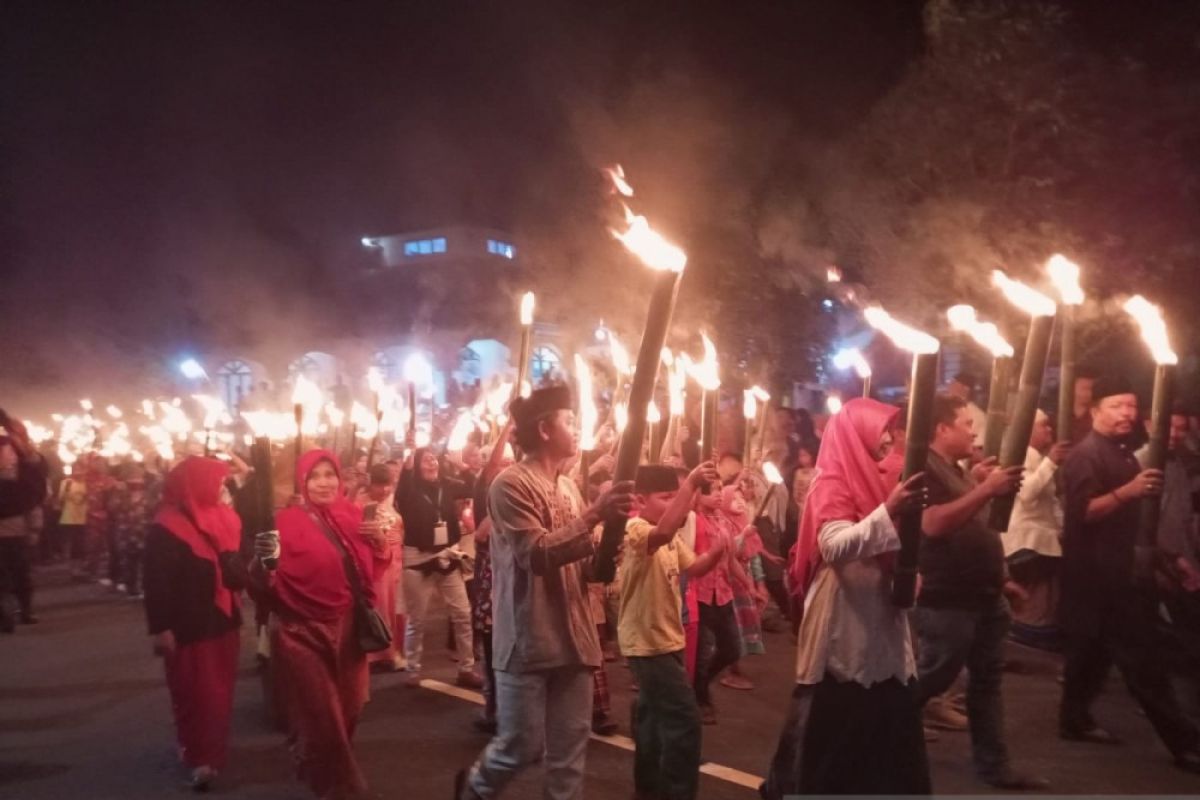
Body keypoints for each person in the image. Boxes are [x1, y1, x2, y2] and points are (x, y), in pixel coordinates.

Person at [457, 385, 634, 800]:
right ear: (545, 429)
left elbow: (576, 562)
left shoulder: (569, 488)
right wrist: (593, 517)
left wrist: (606, 550)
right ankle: (475, 790)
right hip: (528, 636)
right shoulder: (509, 485)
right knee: (521, 746)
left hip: (574, 635)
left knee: (571, 748)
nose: (577, 427)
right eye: (569, 420)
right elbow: (533, 554)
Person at [762, 398, 929, 797]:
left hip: (879, 610)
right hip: (845, 611)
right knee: (838, 711)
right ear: (857, 436)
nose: (888, 440)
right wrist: (888, 511)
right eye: (881, 432)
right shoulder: (832, 482)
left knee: (887, 706)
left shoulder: (879, 478)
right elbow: (834, 545)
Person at [1059, 375, 1200, 772]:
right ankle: (1186, 744)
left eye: (1132, 407)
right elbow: (1083, 513)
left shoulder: (1121, 453)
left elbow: (1132, 524)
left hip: (1118, 570)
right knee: (1145, 663)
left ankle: (1073, 720)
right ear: (1095, 410)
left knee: (1091, 656)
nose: (1127, 414)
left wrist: (1164, 556)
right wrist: (1130, 491)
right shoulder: (1086, 455)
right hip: (1099, 576)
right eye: (1117, 406)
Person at [912, 393, 1048, 790]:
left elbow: (974, 527)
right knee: (930, 679)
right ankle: (872, 739)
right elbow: (933, 524)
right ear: (941, 428)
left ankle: (995, 766)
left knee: (987, 683)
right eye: (966, 424)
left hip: (984, 596)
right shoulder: (921, 467)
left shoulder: (954, 469)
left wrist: (1002, 578)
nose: (974, 431)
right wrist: (986, 489)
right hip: (947, 598)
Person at [252, 449, 389, 799]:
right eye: (315, 476)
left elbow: (372, 568)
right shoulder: (283, 522)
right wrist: (266, 564)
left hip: (347, 627)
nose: (324, 482)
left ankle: (316, 757)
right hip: (302, 629)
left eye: (330, 474)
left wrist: (379, 542)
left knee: (350, 706)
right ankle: (340, 788)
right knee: (323, 712)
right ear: (303, 482)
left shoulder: (352, 515)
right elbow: (263, 580)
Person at [618, 462, 727, 800]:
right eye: (665, 496)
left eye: (673, 496)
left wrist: (721, 548)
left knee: (651, 722)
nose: (672, 503)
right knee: (685, 719)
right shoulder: (636, 528)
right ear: (640, 499)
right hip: (647, 643)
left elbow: (694, 566)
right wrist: (691, 483)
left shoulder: (672, 538)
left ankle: (648, 788)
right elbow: (661, 533)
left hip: (667, 639)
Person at [143, 457, 244, 791]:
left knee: (219, 693)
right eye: (216, 480)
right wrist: (161, 627)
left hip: (224, 619)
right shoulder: (167, 526)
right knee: (194, 693)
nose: (222, 487)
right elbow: (156, 582)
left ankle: (211, 752)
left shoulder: (225, 518)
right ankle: (199, 755)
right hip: (189, 626)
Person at [394, 447, 480, 688]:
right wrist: (408, 460)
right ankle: (413, 669)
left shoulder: (447, 485)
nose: (432, 462)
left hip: (447, 557)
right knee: (417, 619)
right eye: (426, 459)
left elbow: (474, 486)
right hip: (417, 559)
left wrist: (463, 465)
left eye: (434, 458)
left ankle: (467, 667)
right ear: (417, 465)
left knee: (463, 613)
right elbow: (402, 486)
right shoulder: (410, 490)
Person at [1004, 410, 1070, 650]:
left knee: (1044, 601)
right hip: (1027, 540)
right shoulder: (1019, 454)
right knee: (1033, 603)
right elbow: (1028, 494)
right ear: (1028, 429)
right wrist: (1050, 461)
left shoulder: (1036, 457)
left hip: (1044, 539)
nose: (1049, 431)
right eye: (1044, 426)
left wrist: (1063, 528)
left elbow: (1051, 502)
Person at [0, 417, 48, 631]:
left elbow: (32, 492)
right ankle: (6, 613)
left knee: (20, 572)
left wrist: (34, 528)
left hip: (15, 528)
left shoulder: (21, 454)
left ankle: (25, 608)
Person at [355, 463, 404, 672]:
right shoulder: (361, 505)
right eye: (380, 486)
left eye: (389, 486)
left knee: (396, 607)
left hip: (396, 559)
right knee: (380, 604)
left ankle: (392, 651)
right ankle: (376, 653)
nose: (385, 490)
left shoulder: (392, 503)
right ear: (370, 484)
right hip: (376, 561)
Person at [946, 372, 988, 452]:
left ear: (966, 389)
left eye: (954, 383)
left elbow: (978, 446)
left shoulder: (977, 415)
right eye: (950, 383)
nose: (950, 386)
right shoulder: (944, 408)